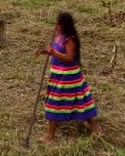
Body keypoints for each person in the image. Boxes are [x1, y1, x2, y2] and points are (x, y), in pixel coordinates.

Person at [37, 12, 100, 141]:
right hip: (57, 74)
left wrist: (54, 52)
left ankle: (50, 135)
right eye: (56, 22)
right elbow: (56, 52)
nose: (56, 25)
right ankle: (93, 127)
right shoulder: (58, 36)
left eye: (59, 23)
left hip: (68, 77)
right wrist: (46, 52)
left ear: (65, 25)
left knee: (57, 103)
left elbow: (69, 58)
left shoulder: (69, 39)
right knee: (69, 101)